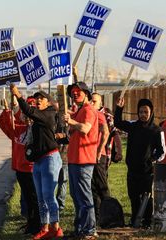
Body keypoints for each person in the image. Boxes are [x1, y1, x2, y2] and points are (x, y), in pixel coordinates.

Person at [10, 84, 64, 239]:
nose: (38, 101)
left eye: (42, 99)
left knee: (48, 195)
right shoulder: (38, 117)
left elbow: (28, 110)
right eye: (36, 99)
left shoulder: (48, 113)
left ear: (48, 102)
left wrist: (18, 95)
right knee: (40, 197)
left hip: (50, 159)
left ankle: (56, 227)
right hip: (39, 161)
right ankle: (45, 228)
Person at [114, 97, 165, 228]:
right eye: (141, 112)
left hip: (147, 171)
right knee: (133, 196)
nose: (143, 115)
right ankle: (134, 219)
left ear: (151, 112)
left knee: (146, 197)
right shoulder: (133, 126)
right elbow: (118, 123)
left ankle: (147, 221)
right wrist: (119, 108)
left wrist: (152, 159)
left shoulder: (156, 130)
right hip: (132, 170)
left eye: (146, 112)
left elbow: (161, 151)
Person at [0, 97, 41, 235]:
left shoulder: (38, 130)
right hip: (20, 169)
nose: (28, 119)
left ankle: (37, 225)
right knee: (28, 198)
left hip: (32, 169)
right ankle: (31, 223)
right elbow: (4, 124)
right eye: (26, 115)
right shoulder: (18, 129)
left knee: (35, 199)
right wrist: (6, 110)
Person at [64, 81, 99, 239]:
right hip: (74, 160)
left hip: (84, 160)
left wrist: (70, 121)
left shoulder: (89, 110)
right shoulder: (79, 111)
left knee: (84, 196)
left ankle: (90, 230)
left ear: (86, 93)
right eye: (73, 92)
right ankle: (80, 228)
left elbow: (85, 128)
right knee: (76, 196)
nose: (75, 94)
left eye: (78, 91)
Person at [90, 93, 110, 226]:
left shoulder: (99, 115)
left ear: (100, 104)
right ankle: (97, 219)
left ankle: (110, 216)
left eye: (94, 101)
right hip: (88, 156)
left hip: (98, 156)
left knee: (102, 186)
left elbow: (106, 133)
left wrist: (98, 151)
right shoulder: (88, 114)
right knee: (93, 189)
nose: (92, 103)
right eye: (91, 101)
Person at [52, 102, 69, 214]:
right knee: (52, 181)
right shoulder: (51, 120)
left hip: (64, 156)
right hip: (52, 155)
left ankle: (60, 205)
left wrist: (60, 135)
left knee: (63, 181)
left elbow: (69, 136)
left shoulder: (68, 121)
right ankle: (53, 203)